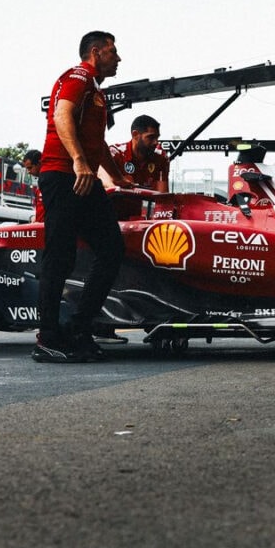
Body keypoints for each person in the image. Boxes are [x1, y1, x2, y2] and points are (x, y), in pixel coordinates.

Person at [34, 30, 128, 363]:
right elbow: (62, 115)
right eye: (112, 52)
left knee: (111, 249)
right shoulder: (78, 76)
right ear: (95, 52)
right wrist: (77, 161)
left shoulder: (95, 89)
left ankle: (78, 328)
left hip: (84, 178)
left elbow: (98, 144)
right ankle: (47, 338)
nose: (118, 58)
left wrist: (118, 177)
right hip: (63, 176)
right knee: (59, 257)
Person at [106, 114, 170, 192]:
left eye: (157, 137)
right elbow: (105, 183)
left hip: (144, 203)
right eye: (151, 137)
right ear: (135, 135)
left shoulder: (160, 157)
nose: (156, 142)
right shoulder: (115, 153)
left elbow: (162, 197)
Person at [21, 149, 44, 222]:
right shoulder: (39, 187)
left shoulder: (52, 184)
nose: (28, 172)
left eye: (30, 168)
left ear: (39, 163)